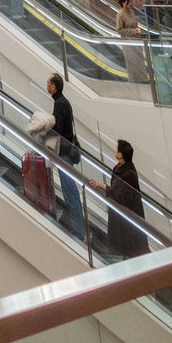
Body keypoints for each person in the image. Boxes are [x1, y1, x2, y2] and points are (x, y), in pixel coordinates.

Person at [90, 140, 148, 258]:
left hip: (128, 216)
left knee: (131, 247)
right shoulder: (120, 168)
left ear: (120, 155)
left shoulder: (128, 174)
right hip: (122, 215)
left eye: (117, 148)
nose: (115, 149)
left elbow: (122, 197)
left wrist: (102, 186)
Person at [47, 73, 84, 233]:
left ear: (54, 87)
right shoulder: (63, 102)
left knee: (70, 193)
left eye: (48, 83)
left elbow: (58, 129)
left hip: (64, 153)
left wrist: (47, 127)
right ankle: (78, 228)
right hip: (67, 151)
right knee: (70, 192)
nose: (47, 85)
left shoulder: (60, 104)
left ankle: (79, 231)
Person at [116, 0, 148, 82]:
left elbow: (135, 24)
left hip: (136, 39)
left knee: (139, 60)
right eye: (129, 2)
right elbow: (119, 29)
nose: (131, 3)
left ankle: (142, 79)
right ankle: (134, 80)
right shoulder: (120, 14)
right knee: (132, 61)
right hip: (128, 41)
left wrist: (137, 30)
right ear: (124, 3)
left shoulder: (131, 12)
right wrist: (132, 31)